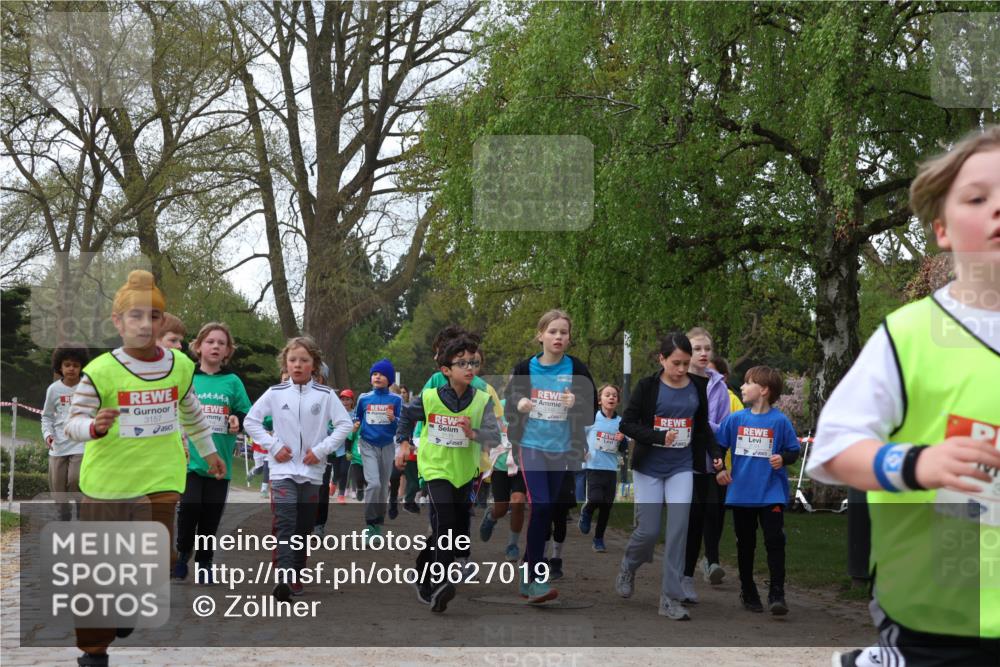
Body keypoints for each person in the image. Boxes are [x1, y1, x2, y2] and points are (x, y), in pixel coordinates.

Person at [808, 127, 1000, 666]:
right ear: (942, 229)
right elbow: (833, 447)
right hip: (936, 612)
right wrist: (918, 463)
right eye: (977, 198)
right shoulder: (909, 335)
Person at [65, 270, 225, 667]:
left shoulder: (180, 366)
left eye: (153, 316)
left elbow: (191, 411)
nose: (144, 324)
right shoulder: (100, 371)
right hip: (107, 482)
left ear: (161, 321)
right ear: (118, 322)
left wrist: (209, 452)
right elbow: (73, 422)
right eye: (134, 316)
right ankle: (94, 653)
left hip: (161, 476)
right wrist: (93, 427)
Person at [616, 332, 723, 621]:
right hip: (649, 467)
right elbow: (627, 424)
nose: (681, 369)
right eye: (676, 363)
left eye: (686, 363)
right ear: (661, 359)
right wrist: (658, 436)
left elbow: (702, 427)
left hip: (681, 467)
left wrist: (714, 452)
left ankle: (670, 599)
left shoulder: (697, 386)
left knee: (678, 531)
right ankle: (629, 565)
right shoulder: (647, 387)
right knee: (648, 531)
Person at [396, 333, 501, 613]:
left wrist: (473, 433)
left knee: (452, 527)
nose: (469, 368)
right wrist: (403, 443)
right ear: (446, 370)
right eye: (462, 363)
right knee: (444, 520)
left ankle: (422, 571)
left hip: (464, 472)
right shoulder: (430, 397)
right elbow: (406, 415)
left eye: (473, 362)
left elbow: (494, 436)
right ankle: (440, 581)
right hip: (435, 468)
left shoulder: (482, 400)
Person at [244, 336, 352, 601]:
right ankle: (283, 577)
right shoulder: (275, 393)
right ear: (286, 363)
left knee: (303, 527)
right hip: (282, 471)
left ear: (314, 364)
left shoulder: (326, 395)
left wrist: (321, 450)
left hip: (312, 473)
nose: (298, 365)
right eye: (292, 360)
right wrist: (273, 446)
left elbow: (345, 425)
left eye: (304, 360)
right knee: (285, 522)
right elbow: (251, 421)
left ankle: (296, 573)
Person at [504, 309, 597, 604]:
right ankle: (536, 579)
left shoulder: (577, 368)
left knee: (549, 509)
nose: (558, 336)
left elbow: (590, 411)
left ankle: (527, 569)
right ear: (540, 335)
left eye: (563, 332)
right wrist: (519, 402)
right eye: (553, 331)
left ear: (569, 338)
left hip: (561, 448)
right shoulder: (525, 368)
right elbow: (508, 403)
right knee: (541, 505)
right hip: (531, 445)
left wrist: (576, 402)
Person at [715, 366, 800, 615]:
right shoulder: (735, 420)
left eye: (748, 383)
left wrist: (782, 458)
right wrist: (720, 468)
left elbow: (793, 451)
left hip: (771, 493)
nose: (742, 387)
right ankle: (748, 589)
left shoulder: (780, 421)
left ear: (764, 390)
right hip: (742, 493)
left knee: (775, 541)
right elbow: (718, 447)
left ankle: (777, 593)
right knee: (745, 544)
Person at [174, 322, 252, 583]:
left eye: (221, 343)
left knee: (210, 515)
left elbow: (246, 412)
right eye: (210, 341)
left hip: (221, 463)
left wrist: (237, 419)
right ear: (198, 347)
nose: (215, 346)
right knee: (189, 508)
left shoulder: (232, 381)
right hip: (190, 460)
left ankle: (204, 562)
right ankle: (182, 553)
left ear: (228, 350)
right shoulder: (188, 376)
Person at [682, 327, 731, 599]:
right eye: (697, 349)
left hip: (708, 462)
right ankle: (679, 573)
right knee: (686, 520)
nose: (703, 353)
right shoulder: (677, 380)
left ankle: (691, 573)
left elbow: (723, 428)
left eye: (707, 349)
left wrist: (704, 426)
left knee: (705, 516)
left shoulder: (719, 387)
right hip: (679, 460)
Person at [354, 359, 403, 539]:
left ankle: (378, 523)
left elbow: (403, 424)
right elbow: (356, 417)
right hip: (368, 444)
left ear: (389, 379)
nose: (377, 377)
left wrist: (394, 419)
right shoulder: (364, 398)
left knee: (382, 487)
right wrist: (355, 424)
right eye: (375, 374)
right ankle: (369, 524)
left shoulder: (396, 399)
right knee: (373, 484)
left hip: (387, 446)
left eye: (382, 374)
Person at [42, 343, 90, 520]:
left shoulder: (88, 387)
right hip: (58, 446)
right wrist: (48, 435)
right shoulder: (53, 390)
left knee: (75, 479)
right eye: (67, 365)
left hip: (81, 444)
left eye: (76, 365)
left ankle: (82, 511)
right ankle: (64, 516)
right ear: (60, 366)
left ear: (81, 367)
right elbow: (46, 417)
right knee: (58, 490)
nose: (71, 369)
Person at [579, 384, 627, 552]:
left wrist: (622, 440)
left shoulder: (621, 422)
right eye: (607, 395)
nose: (611, 397)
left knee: (606, 506)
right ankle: (587, 511)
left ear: (618, 401)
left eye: (614, 395)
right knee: (596, 498)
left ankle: (598, 539)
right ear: (600, 400)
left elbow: (624, 448)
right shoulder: (592, 418)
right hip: (593, 465)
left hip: (610, 468)